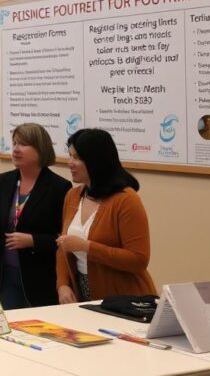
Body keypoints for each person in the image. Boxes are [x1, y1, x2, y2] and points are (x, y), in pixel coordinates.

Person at [55, 129, 156, 303]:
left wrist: (87, 247)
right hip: (83, 295)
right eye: (69, 156)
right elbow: (63, 246)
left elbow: (138, 260)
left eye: (77, 158)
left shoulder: (126, 200)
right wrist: (62, 284)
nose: (70, 163)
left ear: (96, 161)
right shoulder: (72, 196)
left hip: (126, 299)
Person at [0, 123, 70, 309]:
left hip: (38, 279)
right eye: (14, 143)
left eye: (23, 144)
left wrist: (33, 240)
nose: (16, 149)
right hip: (2, 275)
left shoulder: (59, 188)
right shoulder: (4, 181)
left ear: (41, 148)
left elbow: (65, 239)